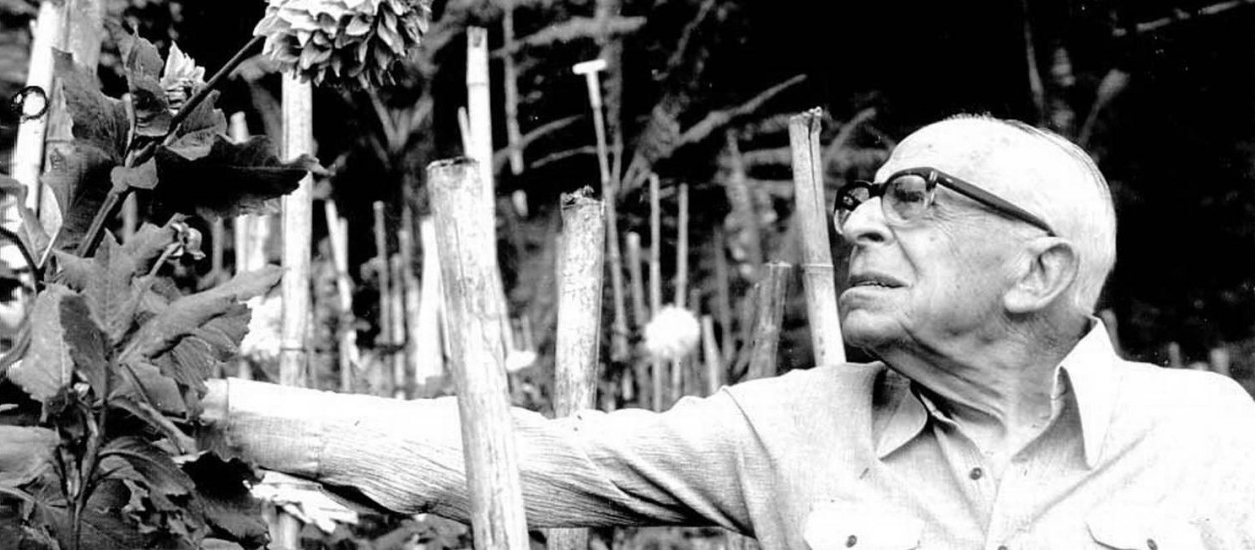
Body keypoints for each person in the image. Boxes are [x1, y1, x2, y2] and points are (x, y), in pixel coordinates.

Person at [201, 115, 1255, 549]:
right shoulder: (791, 427)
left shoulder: (1210, 439)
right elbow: (522, 456)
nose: (857, 225)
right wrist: (201, 404)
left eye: (916, 198)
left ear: (1038, 271)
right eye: (864, 199)